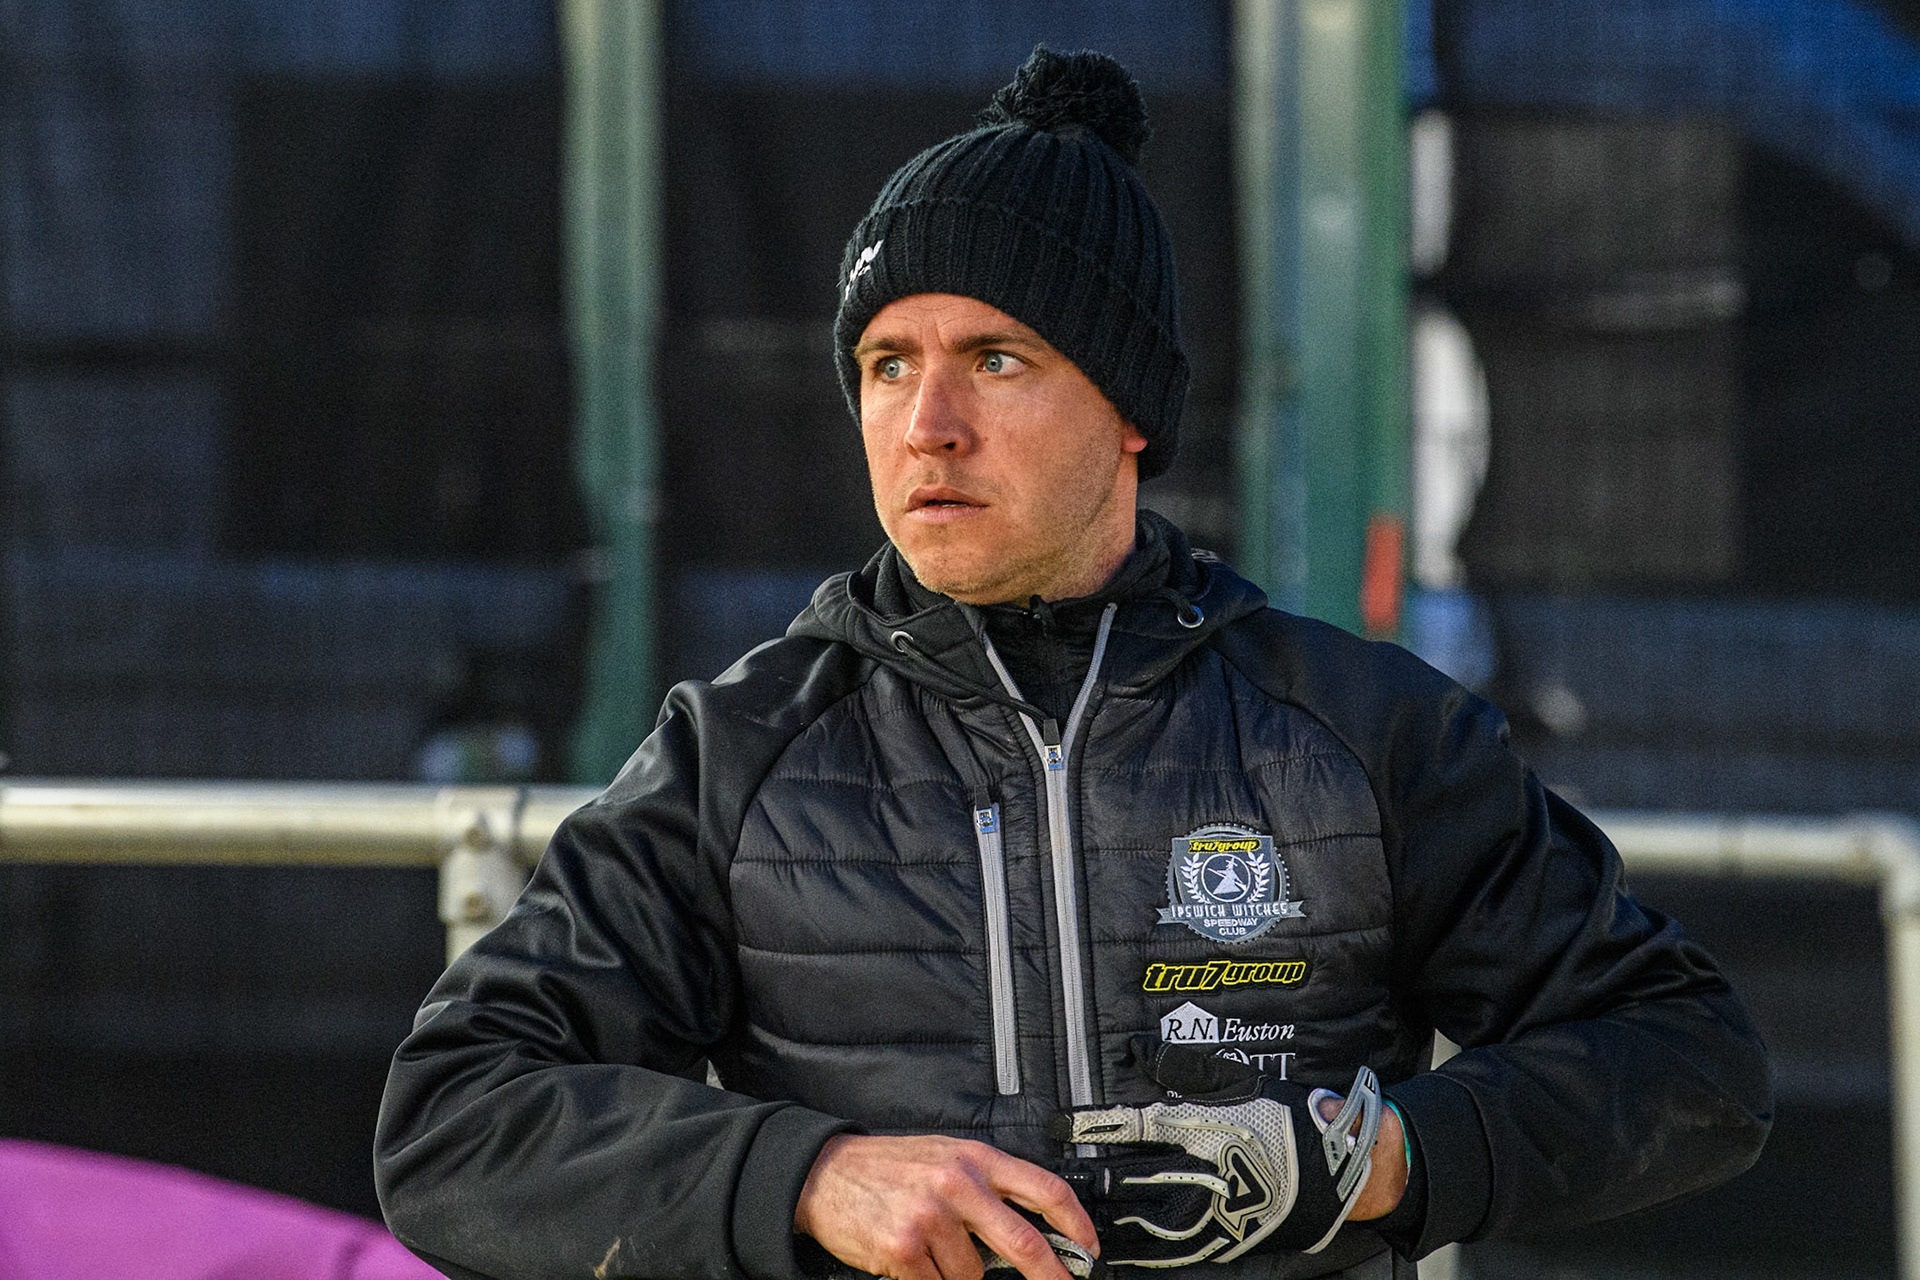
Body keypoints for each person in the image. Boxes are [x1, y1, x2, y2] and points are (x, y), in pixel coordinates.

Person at [374, 48, 1771, 1280]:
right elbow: (454, 1121)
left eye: (994, 359)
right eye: (882, 362)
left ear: (1133, 412)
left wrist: (1376, 1162)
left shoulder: (1358, 730)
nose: (925, 425)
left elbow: (1691, 1063)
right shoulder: (740, 753)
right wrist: (808, 1181)